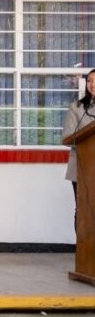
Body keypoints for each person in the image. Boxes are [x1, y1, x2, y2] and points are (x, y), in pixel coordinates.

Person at [65, 69, 95, 230]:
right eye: (89, 80)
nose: (93, 84)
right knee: (83, 209)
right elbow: (69, 137)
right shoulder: (76, 107)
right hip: (81, 167)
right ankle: (83, 253)